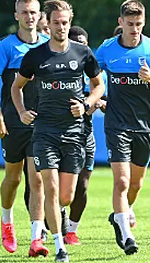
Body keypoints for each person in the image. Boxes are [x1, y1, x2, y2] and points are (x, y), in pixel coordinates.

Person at [12, 0, 105, 262]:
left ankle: (57, 221)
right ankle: (58, 247)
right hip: (45, 132)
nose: (61, 27)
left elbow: (99, 86)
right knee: (50, 189)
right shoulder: (36, 56)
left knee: (66, 196)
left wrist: (87, 104)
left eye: (65, 22)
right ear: (47, 23)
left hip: (74, 134)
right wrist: (21, 112)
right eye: (56, 23)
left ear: (70, 23)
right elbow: (16, 87)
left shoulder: (82, 53)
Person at [97, 0, 150, 254]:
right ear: (120, 23)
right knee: (122, 182)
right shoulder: (107, 50)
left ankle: (119, 215)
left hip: (145, 126)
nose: (134, 29)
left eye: (138, 24)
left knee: (135, 185)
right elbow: (93, 77)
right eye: (130, 24)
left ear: (143, 22)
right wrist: (98, 99)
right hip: (116, 124)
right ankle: (126, 236)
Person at [0, 0, 49, 256]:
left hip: (40, 124)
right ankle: (7, 221)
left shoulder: (47, 45)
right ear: (16, 16)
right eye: (24, 12)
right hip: (12, 123)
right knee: (13, 178)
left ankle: (36, 238)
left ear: (39, 16)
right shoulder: (7, 47)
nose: (29, 17)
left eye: (33, 12)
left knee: (37, 180)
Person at [62, 26, 104, 246]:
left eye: (84, 42)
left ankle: (72, 229)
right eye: (76, 42)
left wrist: (98, 103)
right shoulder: (60, 67)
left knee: (83, 186)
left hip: (86, 134)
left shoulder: (93, 67)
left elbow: (101, 92)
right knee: (59, 187)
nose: (81, 46)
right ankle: (52, 219)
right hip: (61, 133)